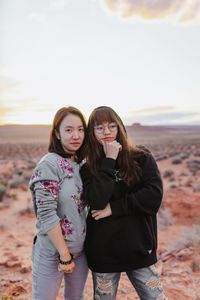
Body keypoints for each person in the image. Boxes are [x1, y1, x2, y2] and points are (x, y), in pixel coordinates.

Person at [80, 106, 167, 300]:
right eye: (99, 128)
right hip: (104, 255)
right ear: (91, 133)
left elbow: (153, 196)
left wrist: (114, 208)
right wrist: (109, 159)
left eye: (112, 126)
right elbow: (95, 200)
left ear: (120, 127)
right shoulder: (88, 168)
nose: (107, 132)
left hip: (140, 250)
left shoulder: (141, 157)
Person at [29, 106, 89, 300]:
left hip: (80, 253)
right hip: (52, 253)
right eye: (69, 130)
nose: (76, 135)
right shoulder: (49, 164)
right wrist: (64, 254)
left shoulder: (80, 164)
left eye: (81, 129)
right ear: (57, 133)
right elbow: (46, 213)